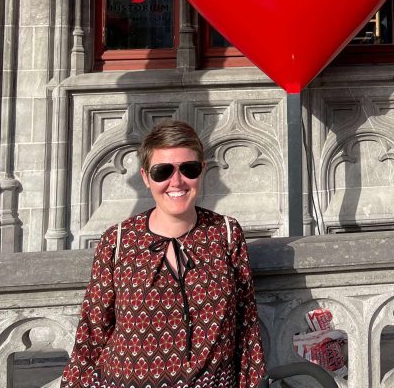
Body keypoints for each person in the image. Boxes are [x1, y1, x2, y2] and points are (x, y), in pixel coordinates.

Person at [61, 120, 266, 388]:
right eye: (163, 172)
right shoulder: (119, 240)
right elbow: (92, 330)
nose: (177, 181)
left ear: (202, 171)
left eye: (188, 169)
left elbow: (246, 325)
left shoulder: (226, 233)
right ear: (146, 177)